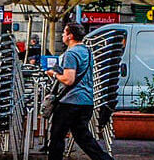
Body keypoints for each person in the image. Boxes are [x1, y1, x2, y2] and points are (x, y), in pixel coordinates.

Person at [45, 23, 114, 160]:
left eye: (64, 32)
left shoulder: (71, 53)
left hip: (70, 101)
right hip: (86, 101)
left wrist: (54, 74)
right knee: (83, 138)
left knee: (57, 137)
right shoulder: (87, 52)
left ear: (70, 36)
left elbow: (69, 79)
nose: (62, 35)